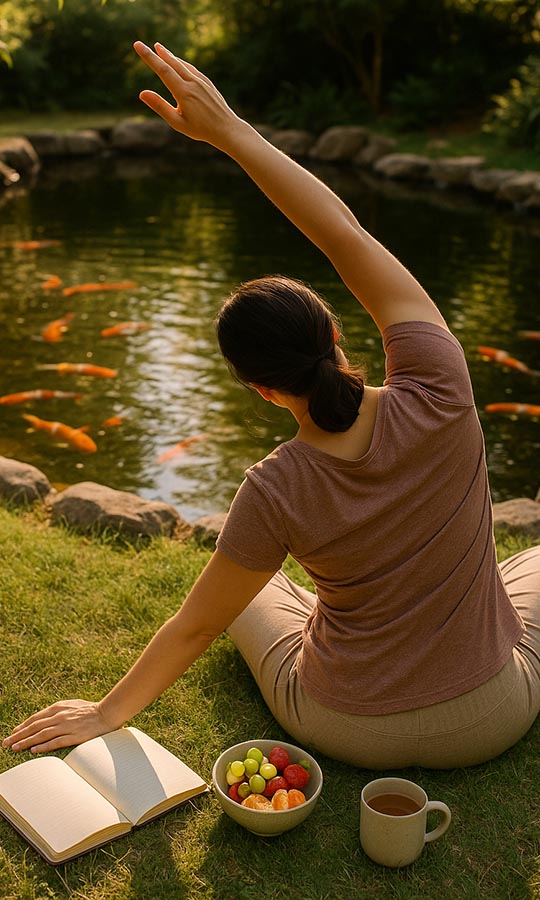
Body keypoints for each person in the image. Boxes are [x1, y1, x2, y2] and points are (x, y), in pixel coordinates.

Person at [4, 42, 540, 769]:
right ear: (336, 332)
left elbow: (195, 629)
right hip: (495, 713)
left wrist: (106, 713)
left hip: (350, 728)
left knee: (252, 596)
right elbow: (343, 233)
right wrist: (230, 130)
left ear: (258, 386)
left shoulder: (273, 486)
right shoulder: (441, 382)